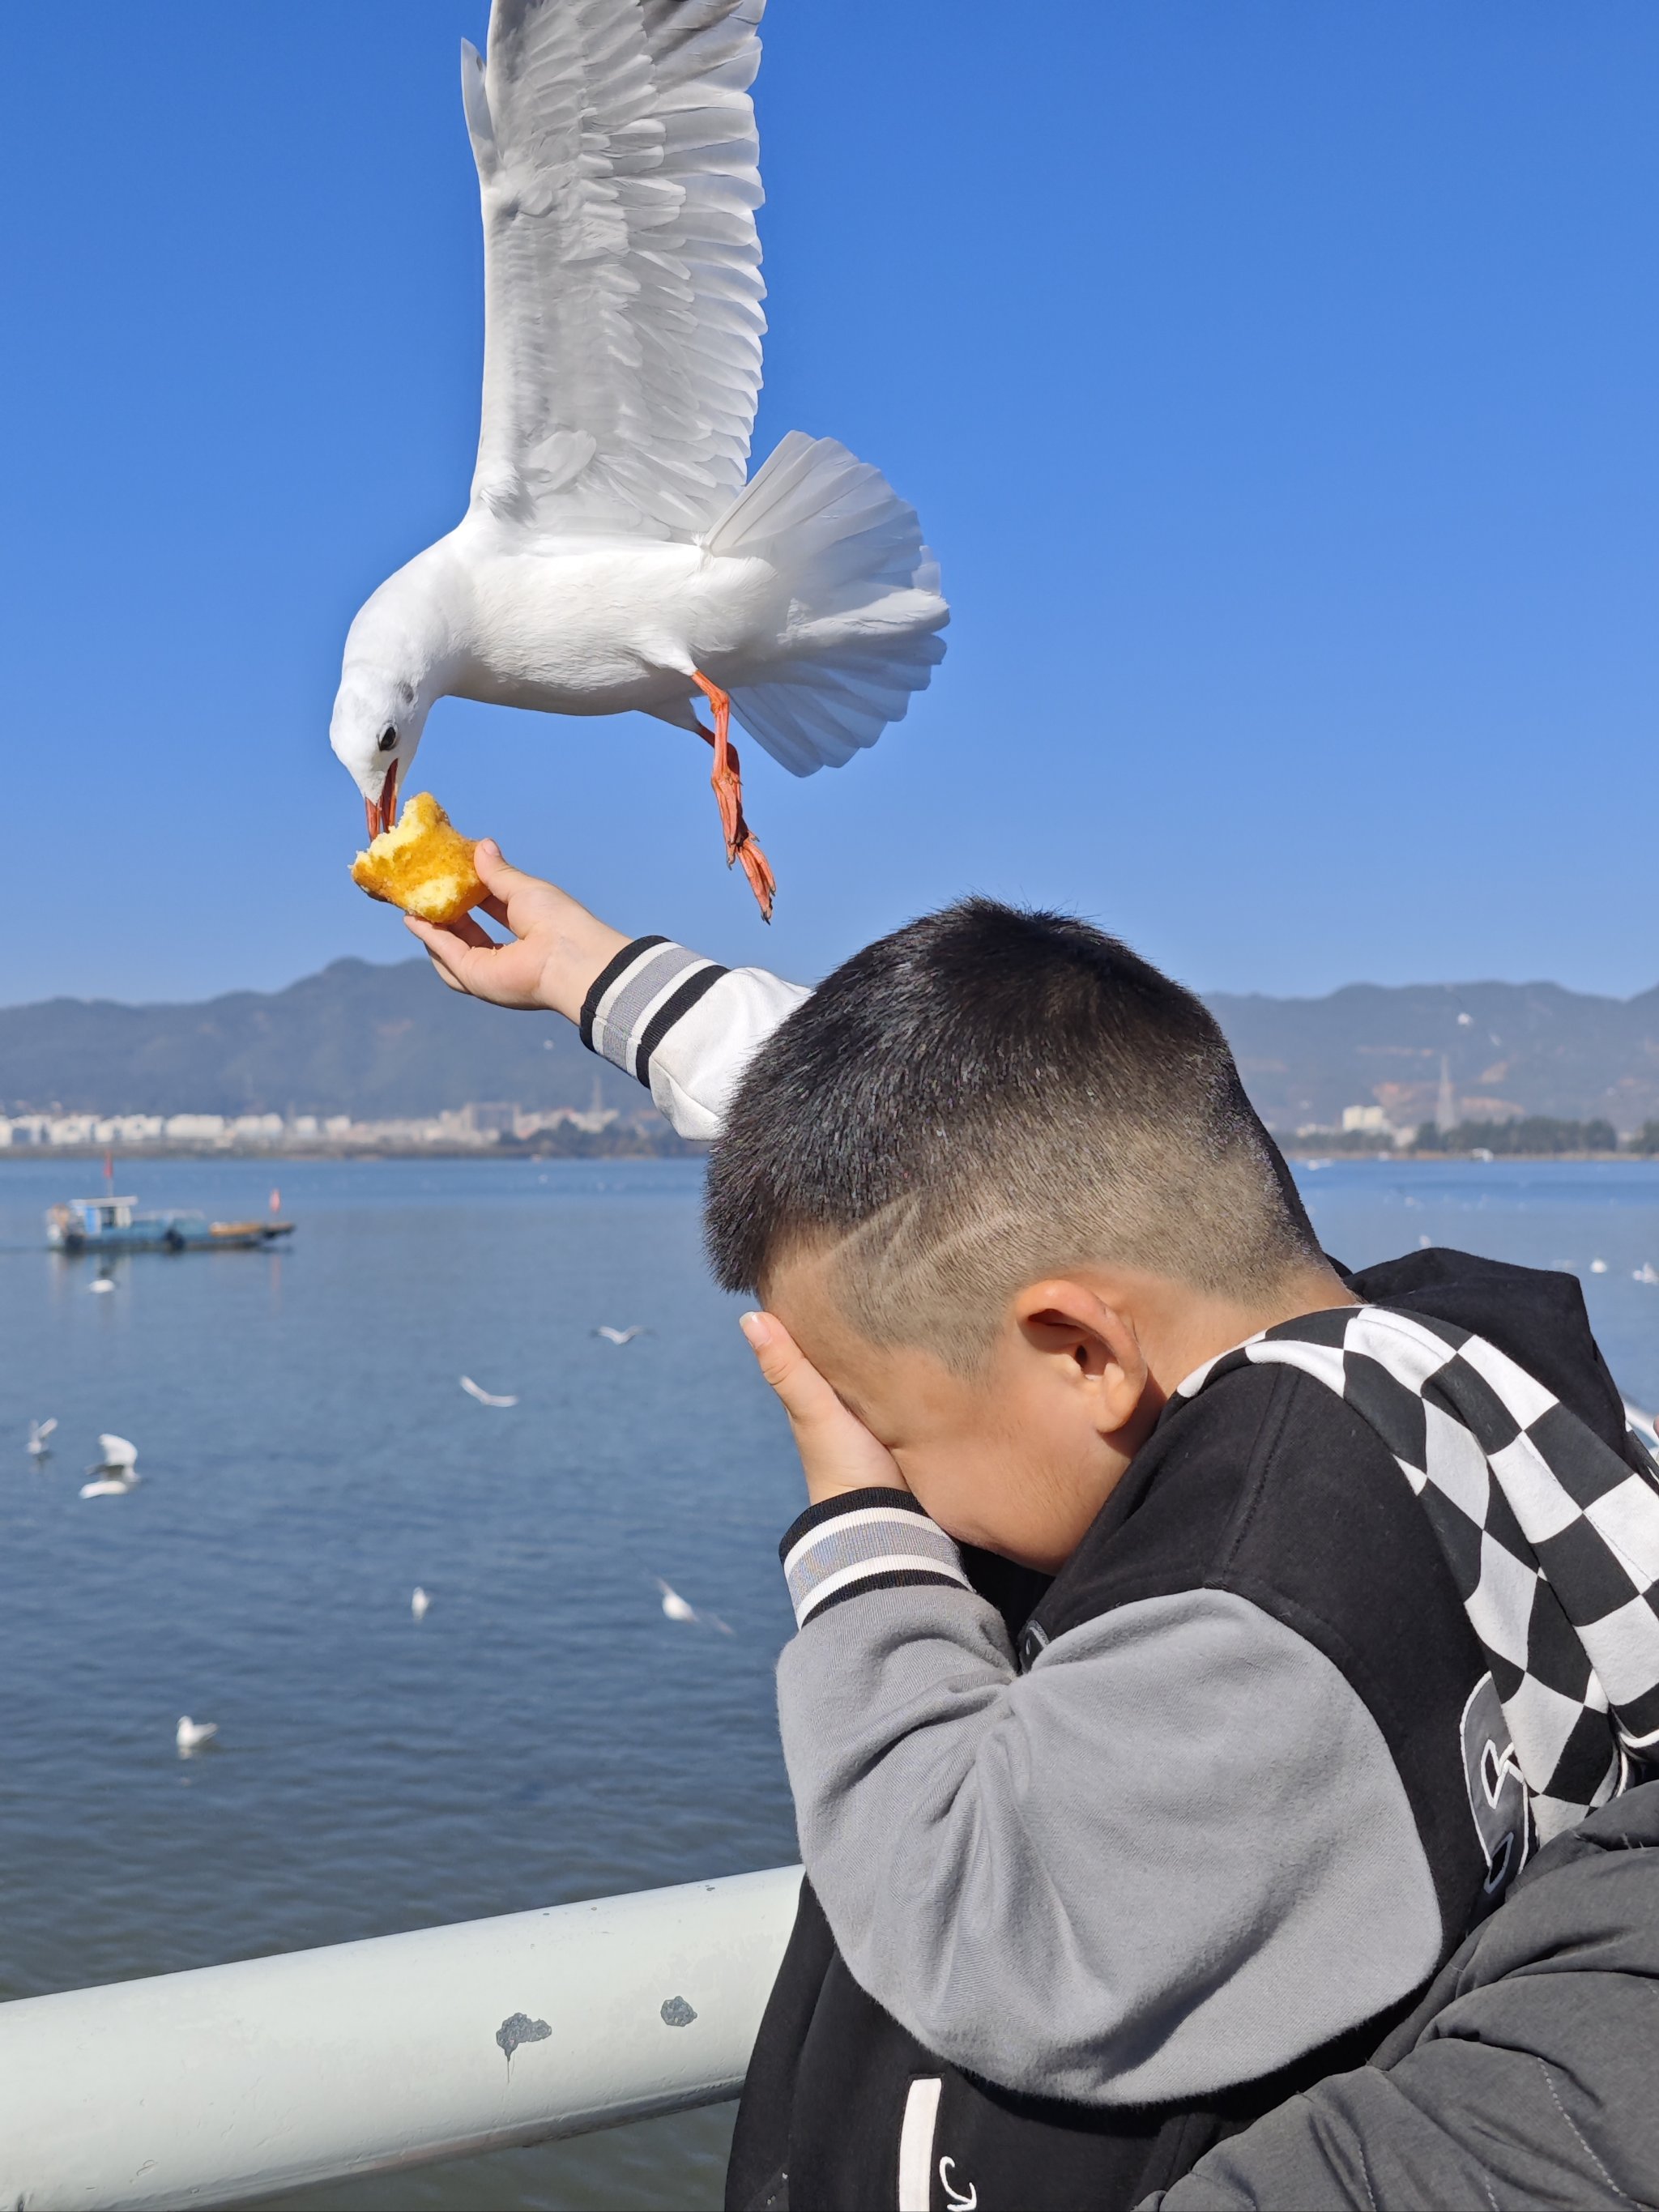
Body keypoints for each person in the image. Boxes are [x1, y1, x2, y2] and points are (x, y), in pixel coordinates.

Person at [410, 847, 1659, 2212]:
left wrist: (860, 1538)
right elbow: (973, 1158)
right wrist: (603, 983)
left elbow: (973, 1908)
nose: (898, 1470)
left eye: (892, 1424)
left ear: (1079, 1352)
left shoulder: (1266, 1587)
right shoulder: (1421, 1368)